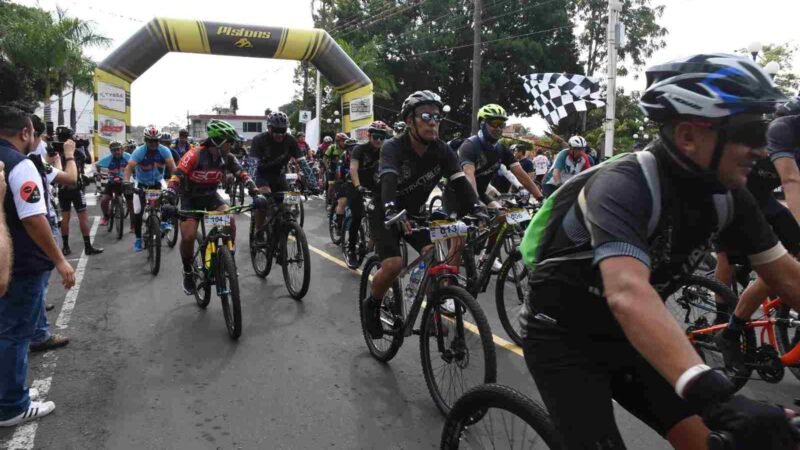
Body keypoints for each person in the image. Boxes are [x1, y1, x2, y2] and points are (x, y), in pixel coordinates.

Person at [517, 54, 800, 450]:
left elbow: (788, 276)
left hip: (633, 337)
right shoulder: (624, 183)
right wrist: (712, 395)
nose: (762, 149)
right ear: (687, 135)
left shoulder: (731, 196)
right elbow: (628, 293)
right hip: (563, 336)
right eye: (751, 132)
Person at [360, 90, 482, 339]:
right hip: (385, 211)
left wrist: (478, 209)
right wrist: (393, 209)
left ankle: (432, 314)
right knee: (394, 264)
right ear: (409, 121)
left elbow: (460, 183)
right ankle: (372, 304)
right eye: (425, 115)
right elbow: (389, 180)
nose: (432, 121)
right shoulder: (393, 148)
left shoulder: (443, 150)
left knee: (435, 257)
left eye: (437, 117)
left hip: (415, 215)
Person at [0, 105, 75, 427]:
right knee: (15, 333)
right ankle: (12, 405)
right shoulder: (22, 165)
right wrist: (59, 260)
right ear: (25, 133)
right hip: (19, 261)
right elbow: (33, 219)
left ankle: (11, 392)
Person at [713, 95, 800, 373]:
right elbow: (791, 180)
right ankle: (727, 326)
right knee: (740, 255)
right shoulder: (781, 129)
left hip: (762, 199)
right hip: (729, 191)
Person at [165, 119, 261, 295]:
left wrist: (255, 192)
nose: (231, 146)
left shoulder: (228, 157)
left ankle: (228, 263)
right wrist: (169, 194)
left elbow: (243, 174)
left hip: (211, 197)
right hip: (190, 199)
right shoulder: (194, 155)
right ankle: (187, 271)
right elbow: (177, 175)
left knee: (230, 221)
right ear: (218, 142)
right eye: (229, 142)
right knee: (188, 236)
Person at [445, 104, 542, 215]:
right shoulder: (470, 145)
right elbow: (469, 175)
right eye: (495, 124)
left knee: (503, 216)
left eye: (502, 125)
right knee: (473, 228)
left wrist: (540, 198)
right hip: (456, 196)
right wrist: (475, 203)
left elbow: (521, 174)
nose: (499, 128)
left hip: (480, 194)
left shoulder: (501, 149)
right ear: (482, 124)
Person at [249, 112, 317, 236]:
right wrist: (252, 186)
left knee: (291, 200)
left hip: (279, 176)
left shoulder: (290, 140)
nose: (280, 134)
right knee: (263, 201)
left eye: (283, 131)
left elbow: (303, 163)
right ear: (269, 128)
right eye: (276, 131)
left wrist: (314, 184)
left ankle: (285, 225)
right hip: (262, 176)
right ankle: (259, 232)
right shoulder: (259, 140)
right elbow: (252, 166)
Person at [123, 126, 176, 253]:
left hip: (158, 181)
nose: (153, 144)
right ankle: (137, 239)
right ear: (145, 140)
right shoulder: (139, 151)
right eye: (150, 141)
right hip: (141, 183)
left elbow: (173, 169)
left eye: (156, 141)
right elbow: (129, 168)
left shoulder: (164, 151)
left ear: (159, 141)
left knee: (169, 196)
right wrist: (126, 182)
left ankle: (165, 221)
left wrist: (176, 182)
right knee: (138, 211)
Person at [345, 121, 389, 268]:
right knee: (357, 216)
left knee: (383, 216)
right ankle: (351, 250)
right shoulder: (359, 149)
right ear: (369, 136)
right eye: (375, 136)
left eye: (382, 137)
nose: (378, 140)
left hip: (375, 186)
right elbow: (353, 168)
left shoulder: (386, 150)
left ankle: (374, 245)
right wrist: (358, 186)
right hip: (356, 185)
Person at [56, 127, 102, 256]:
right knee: (83, 216)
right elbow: (87, 159)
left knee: (65, 217)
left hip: (62, 188)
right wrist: (85, 147)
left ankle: (65, 247)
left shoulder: (56, 152)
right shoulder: (75, 151)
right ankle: (88, 247)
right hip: (76, 188)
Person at [95, 141, 132, 227]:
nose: (116, 152)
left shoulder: (128, 157)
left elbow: (136, 165)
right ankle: (105, 216)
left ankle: (133, 225)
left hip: (125, 181)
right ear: (111, 151)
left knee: (131, 203)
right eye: (114, 150)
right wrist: (98, 173)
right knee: (104, 200)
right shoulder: (108, 158)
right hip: (112, 181)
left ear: (122, 149)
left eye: (118, 149)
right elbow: (96, 165)